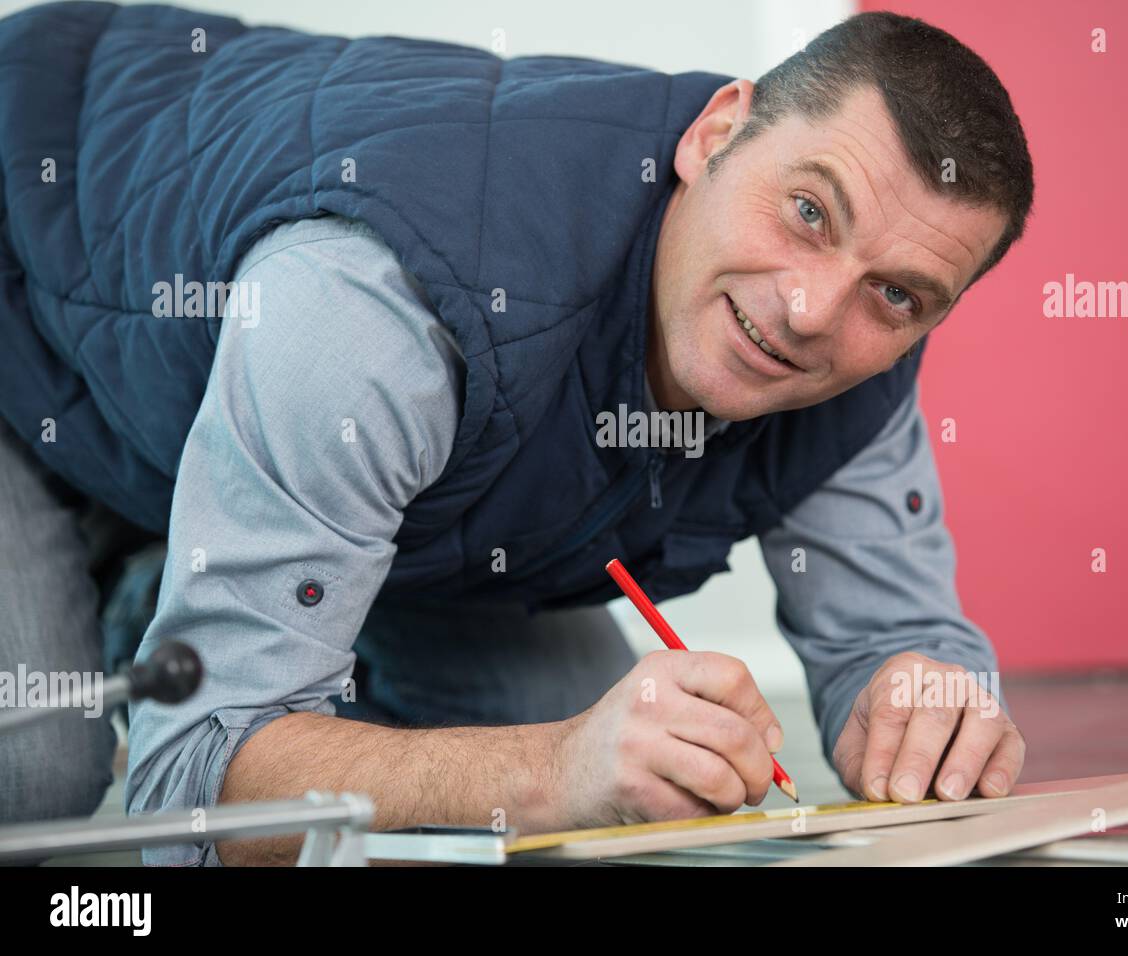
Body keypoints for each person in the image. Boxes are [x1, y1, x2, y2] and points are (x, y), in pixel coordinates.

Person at [0, 5, 1033, 865]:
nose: (811, 309)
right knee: (35, 765)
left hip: (235, 398)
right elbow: (188, 797)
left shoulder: (856, 359)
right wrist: (545, 773)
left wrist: (919, 693)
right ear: (716, 134)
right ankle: (175, 574)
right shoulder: (379, 308)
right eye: (809, 210)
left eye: (895, 293)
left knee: (586, 728)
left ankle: (179, 582)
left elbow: (894, 641)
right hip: (23, 313)